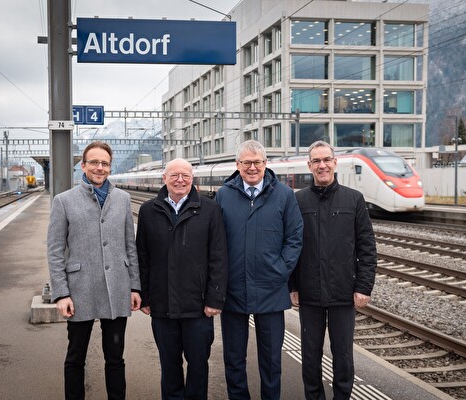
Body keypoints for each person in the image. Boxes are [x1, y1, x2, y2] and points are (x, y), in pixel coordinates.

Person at [47, 141, 141, 400]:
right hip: (80, 291)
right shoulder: (63, 201)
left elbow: (129, 245)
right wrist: (60, 293)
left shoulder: (122, 199)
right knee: (75, 357)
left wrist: (135, 286)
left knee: (115, 357)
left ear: (110, 167)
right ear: (83, 165)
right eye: (94, 162)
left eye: (105, 163)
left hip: (117, 287)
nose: (100, 168)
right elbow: (55, 251)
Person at [215, 140, 303, 400]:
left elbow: (295, 237)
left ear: (266, 164)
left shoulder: (285, 195)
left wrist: (280, 270)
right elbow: (216, 241)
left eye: (257, 162)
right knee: (233, 358)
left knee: (272, 359)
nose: (252, 168)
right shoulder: (224, 195)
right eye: (246, 163)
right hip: (233, 288)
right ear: (237, 165)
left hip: (271, 289)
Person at [289, 140, 377, 400]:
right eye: (316, 161)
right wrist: (292, 285)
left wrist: (363, 287)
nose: (322, 165)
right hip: (309, 293)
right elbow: (291, 247)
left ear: (335, 162)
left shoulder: (354, 199)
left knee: (343, 355)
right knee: (310, 355)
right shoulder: (298, 200)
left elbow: (367, 248)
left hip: (343, 292)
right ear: (309, 165)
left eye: (326, 159)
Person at [136, 158, 228, 400]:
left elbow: (218, 257)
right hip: (162, 305)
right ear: (164, 179)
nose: (180, 180)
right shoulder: (148, 211)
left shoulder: (210, 210)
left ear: (192, 179)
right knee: (169, 367)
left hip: (198, 307)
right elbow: (142, 258)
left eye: (185, 176)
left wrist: (215, 299)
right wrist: (145, 296)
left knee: (199, 366)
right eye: (174, 175)